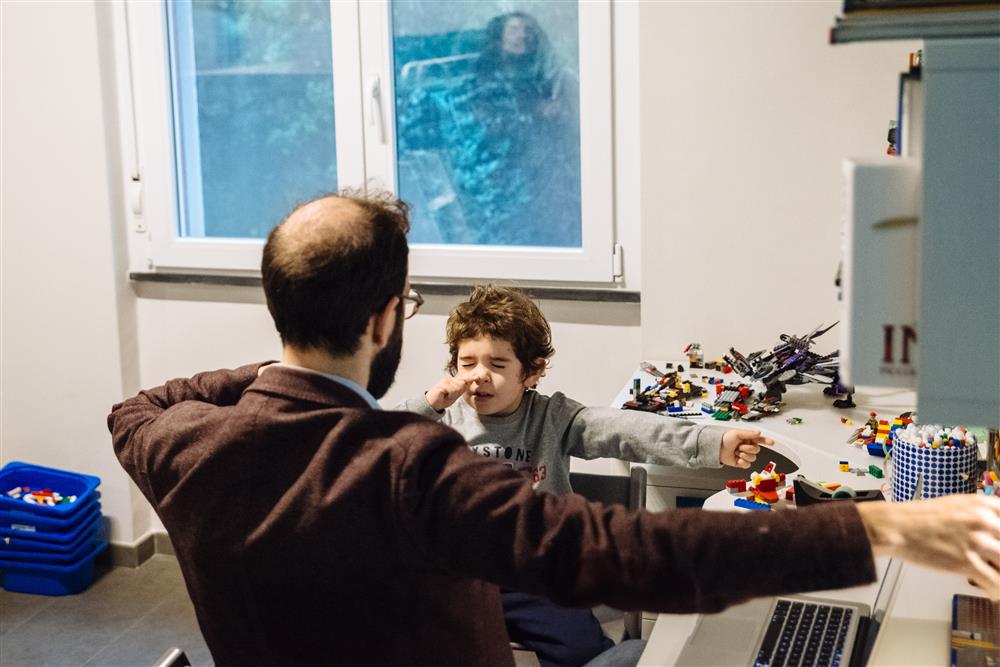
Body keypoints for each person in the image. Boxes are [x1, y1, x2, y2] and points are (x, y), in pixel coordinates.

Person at [108, 190, 1000, 667]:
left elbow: (133, 404)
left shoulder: (179, 443)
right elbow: (634, 551)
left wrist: (266, 375)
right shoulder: (410, 465)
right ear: (386, 320)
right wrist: (879, 524)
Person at [397, 284, 770, 665]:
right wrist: (428, 405)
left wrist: (712, 443)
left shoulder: (553, 418)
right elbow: (377, 447)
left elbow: (626, 431)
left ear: (532, 371)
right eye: (467, 363)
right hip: (465, 579)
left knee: (590, 653)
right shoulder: (441, 421)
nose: (479, 376)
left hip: (539, 579)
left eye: (497, 364)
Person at [397, 11, 580, 247]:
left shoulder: (537, 76)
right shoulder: (484, 77)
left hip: (533, 181)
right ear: (499, 37)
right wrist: (538, 113)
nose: (522, 36)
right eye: (514, 30)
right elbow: (490, 125)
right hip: (495, 183)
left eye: (528, 31)